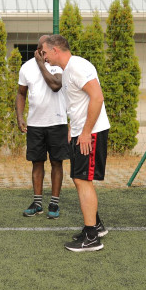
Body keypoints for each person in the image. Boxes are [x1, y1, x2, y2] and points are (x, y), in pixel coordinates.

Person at [41, 35, 110, 252]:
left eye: (44, 52)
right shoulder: (69, 69)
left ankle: (91, 237)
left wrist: (86, 131)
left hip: (91, 132)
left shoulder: (78, 66)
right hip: (82, 132)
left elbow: (97, 97)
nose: (43, 57)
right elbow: (79, 102)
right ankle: (95, 226)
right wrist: (74, 127)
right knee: (80, 179)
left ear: (55, 50)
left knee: (82, 179)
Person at [15, 35, 69, 219]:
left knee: (56, 162)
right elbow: (21, 93)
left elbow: (55, 85)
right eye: (42, 51)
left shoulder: (57, 64)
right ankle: (37, 203)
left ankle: (54, 203)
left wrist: (41, 64)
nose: (45, 54)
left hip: (57, 122)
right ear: (37, 50)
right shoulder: (26, 67)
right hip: (35, 124)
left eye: (47, 51)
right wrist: (20, 117)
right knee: (37, 162)